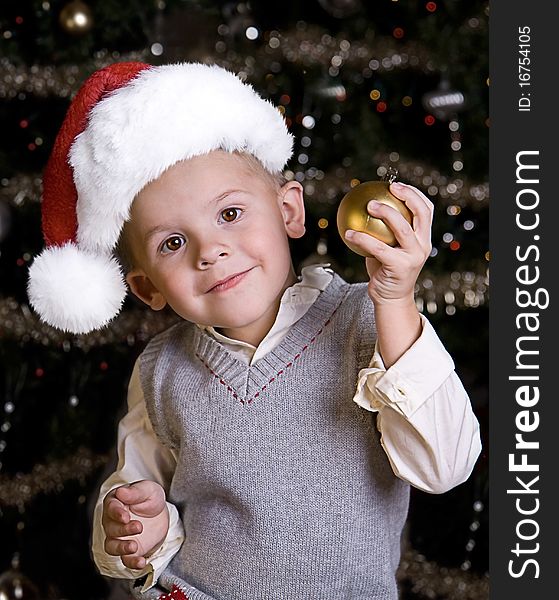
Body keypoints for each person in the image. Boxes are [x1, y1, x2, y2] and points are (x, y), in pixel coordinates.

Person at [27, 61, 481, 600]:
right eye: (173, 243)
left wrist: (395, 301)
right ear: (148, 288)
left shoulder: (373, 323)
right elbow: (132, 507)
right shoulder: (162, 370)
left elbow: (445, 466)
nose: (210, 250)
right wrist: (136, 531)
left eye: (231, 213)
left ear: (289, 211)